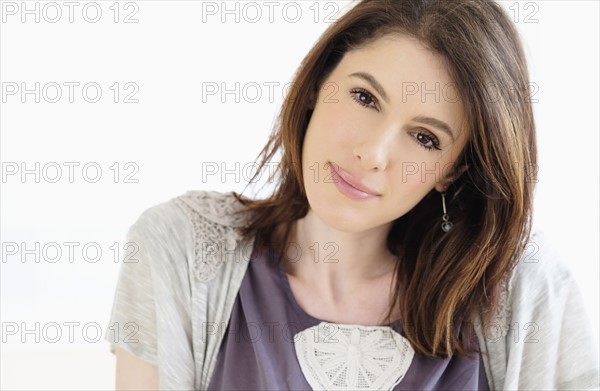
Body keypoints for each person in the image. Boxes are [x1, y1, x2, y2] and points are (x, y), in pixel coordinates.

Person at [105, 0, 600, 389]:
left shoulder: (525, 289)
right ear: (320, 84)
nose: (373, 153)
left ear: (452, 171)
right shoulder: (181, 251)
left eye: (425, 137)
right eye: (365, 98)